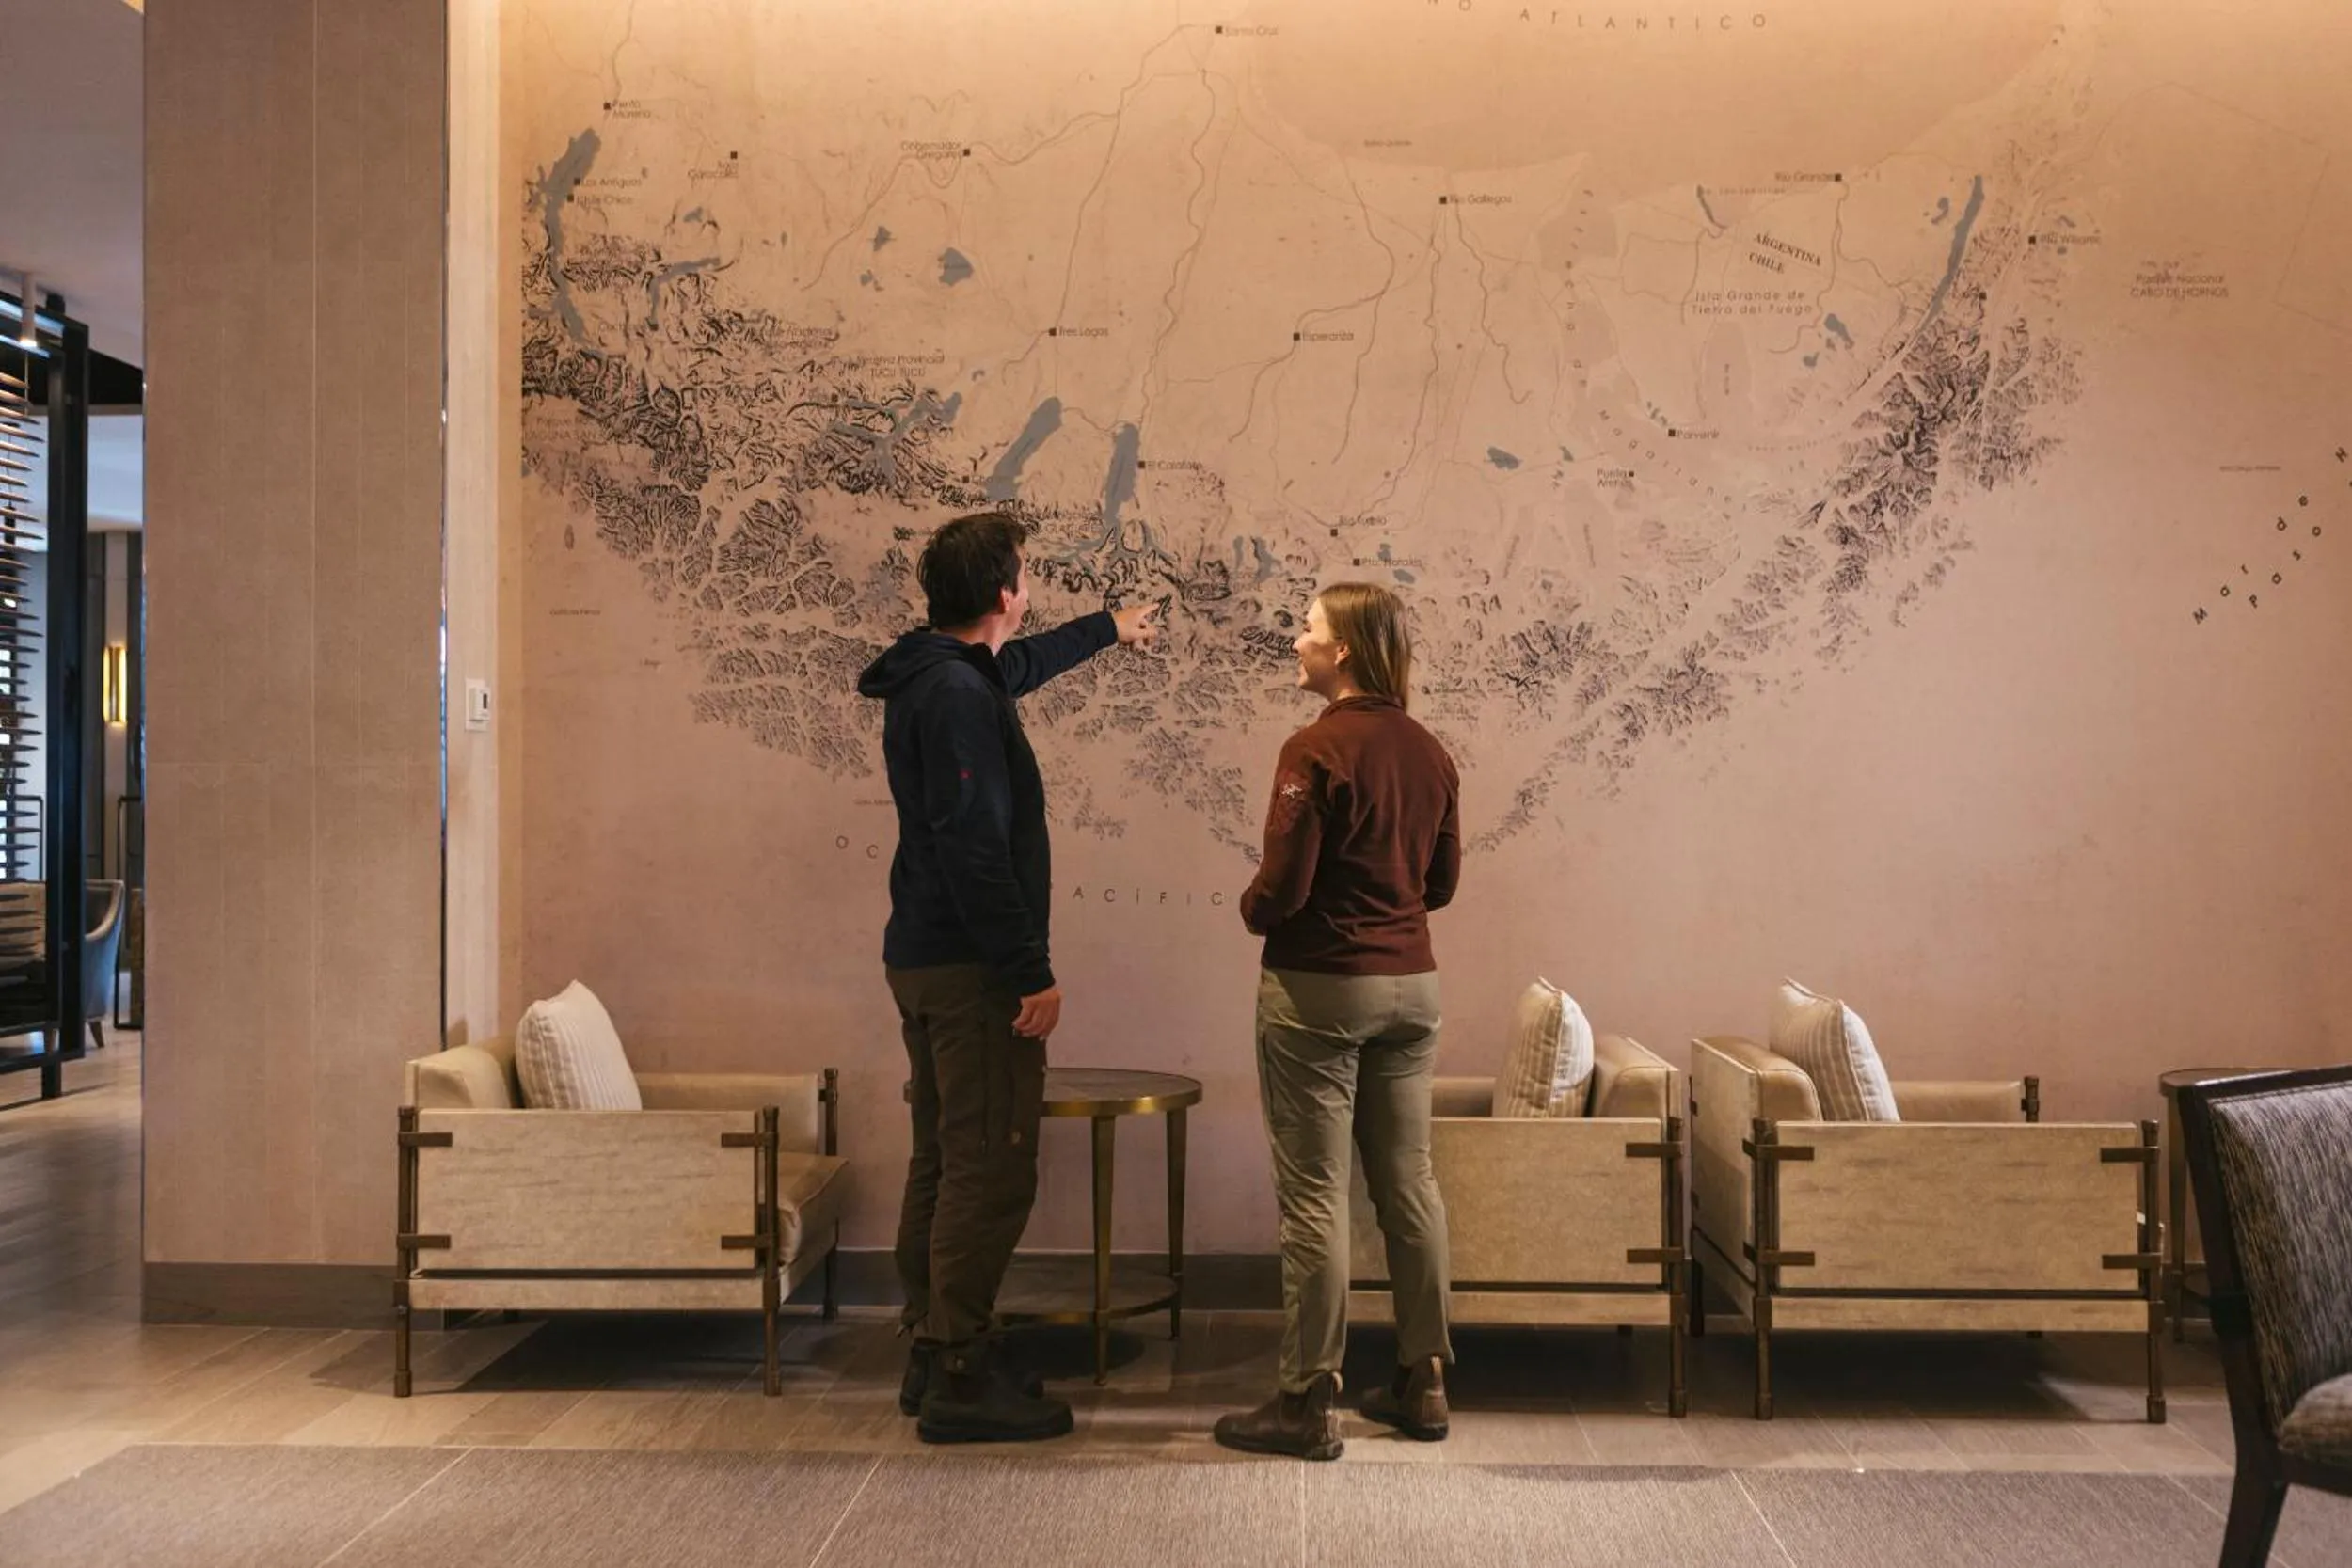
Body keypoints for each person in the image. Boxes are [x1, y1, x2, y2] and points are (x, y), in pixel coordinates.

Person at [855, 511, 1157, 1444]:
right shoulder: (953, 695)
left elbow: (1013, 668)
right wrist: (1028, 969)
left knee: (945, 1162)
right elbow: (974, 842)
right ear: (1002, 594)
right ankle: (959, 1371)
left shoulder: (945, 672)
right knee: (989, 1169)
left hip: (926, 954)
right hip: (970, 966)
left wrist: (1108, 627)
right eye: (1023, 576)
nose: (1027, 588)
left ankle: (931, 1343)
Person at [1214, 582, 1461, 1461]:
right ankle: (1423, 1378)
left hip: (1319, 991)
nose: (1297, 642)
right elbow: (1440, 886)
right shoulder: (1432, 754)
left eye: (1309, 628)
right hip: (1413, 989)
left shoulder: (1312, 750)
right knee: (1409, 1184)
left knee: (1316, 1195)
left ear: (1346, 649)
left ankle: (1307, 1397)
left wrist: (1251, 906)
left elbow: (1281, 887)